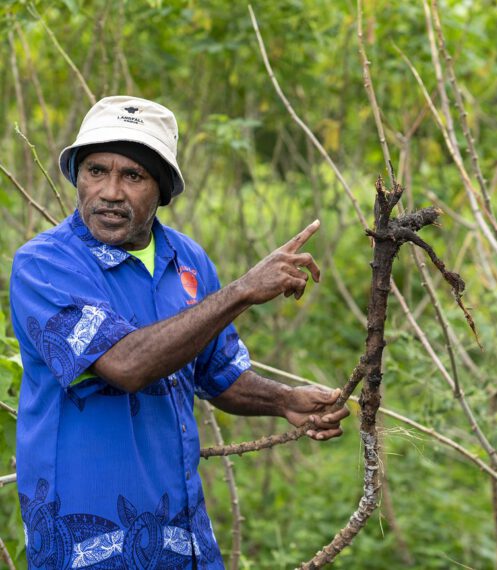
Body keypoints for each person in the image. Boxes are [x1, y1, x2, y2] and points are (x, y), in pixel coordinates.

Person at [9, 96, 349, 569]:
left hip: (183, 538)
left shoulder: (187, 261)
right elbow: (125, 364)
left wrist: (283, 400)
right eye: (95, 171)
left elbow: (218, 374)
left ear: (163, 188)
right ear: (76, 176)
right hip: (89, 543)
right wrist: (242, 291)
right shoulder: (46, 265)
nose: (109, 191)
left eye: (133, 176)